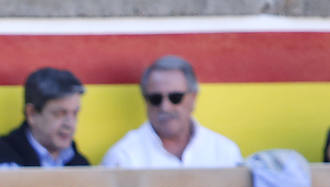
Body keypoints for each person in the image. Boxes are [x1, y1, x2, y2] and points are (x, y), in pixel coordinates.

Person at [101, 56, 242, 168]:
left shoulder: (225, 153)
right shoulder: (123, 157)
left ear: (193, 98)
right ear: (145, 100)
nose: (165, 107)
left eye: (175, 97)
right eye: (155, 98)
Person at [0, 65, 90, 167]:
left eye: (75, 113)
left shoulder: (80, 163)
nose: (70, 124)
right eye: (60, 114)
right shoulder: (3, 160)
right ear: (31, 113)